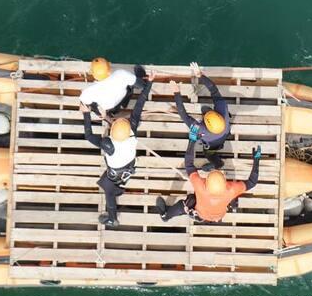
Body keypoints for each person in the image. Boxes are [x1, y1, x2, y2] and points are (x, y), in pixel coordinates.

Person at [80, 71, 154, 228]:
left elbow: (88, 136)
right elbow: (141, 103)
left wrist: (87, 114)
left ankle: (112, 218)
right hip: (127, 164)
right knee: (110, 183)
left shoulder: (109, 144)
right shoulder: (132, 129)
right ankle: (117, 190)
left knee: (108, 190)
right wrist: (150, 83)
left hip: (120, 170)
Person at [155, 136, 262, 223]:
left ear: (206, 182)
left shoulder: (200, 186)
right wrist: (256, 161)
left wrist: (192, 140)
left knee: (188, 202)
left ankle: (166, 216)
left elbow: (188, 164)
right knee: (234, 197)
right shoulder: (231, 189)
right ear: (225, 183)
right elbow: (252, 182)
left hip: (202, 214)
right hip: (219, 215)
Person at [170, 67, 231, 151]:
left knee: (208, 151)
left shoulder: (200, 129)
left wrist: (176, 92)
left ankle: (212, 158)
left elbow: (183, 115)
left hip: (210, 144)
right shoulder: (223, 111)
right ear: (219, 116)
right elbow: (183, 115)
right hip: (224, 135)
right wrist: (200, 75)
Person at [79, 57, 152, 117]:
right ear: (109, 68)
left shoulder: (87, 92)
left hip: (110, 111)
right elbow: (141, 85)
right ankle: (124, 105)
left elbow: (82, 107)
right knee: (130, 85)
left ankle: (115, 111)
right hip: (122, 100)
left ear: (93, 74)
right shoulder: (121, 74)